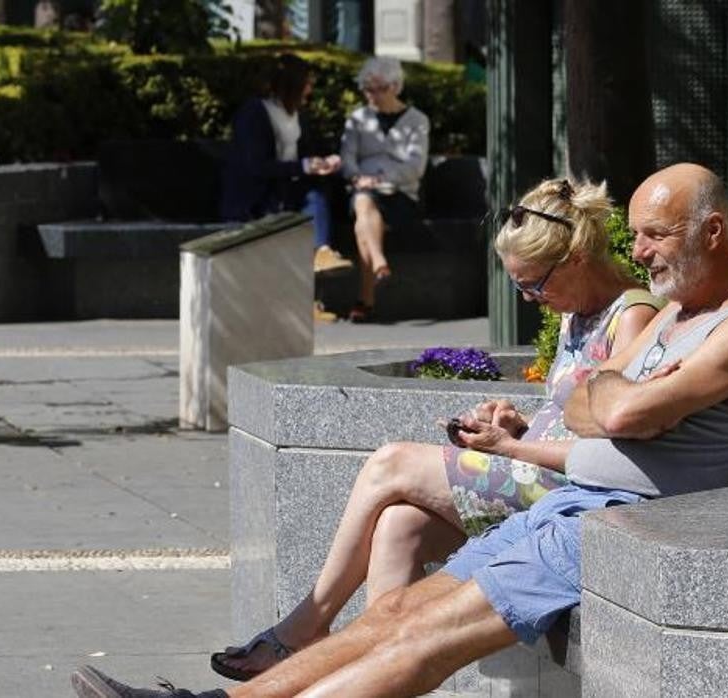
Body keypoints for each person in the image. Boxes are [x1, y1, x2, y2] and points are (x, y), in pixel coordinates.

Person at [69, 163, 728, 698]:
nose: (638, 253)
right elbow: (594, 402)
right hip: (573, 505)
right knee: (396, 611)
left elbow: (614, 411)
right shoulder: (677, 317)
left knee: (425, 637)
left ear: (713, 230)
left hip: (626, 528)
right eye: (636, 235)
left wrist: (614, 395)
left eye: (655, 236)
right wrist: (611, 396)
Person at [206, 177, 663, 681]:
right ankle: (368, 676)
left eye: (534, 283)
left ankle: (303, 630)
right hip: (537, 471)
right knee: (399, 523)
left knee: (391, 462)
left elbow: (613, 441)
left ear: (577, 258)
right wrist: (519, 424)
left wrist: (513, 447)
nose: (530, 298)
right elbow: (573, 411)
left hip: (577, 496)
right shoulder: (578, 311)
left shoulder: (634, 316)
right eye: (519, 287)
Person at [219, 54, 354, 282]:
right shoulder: (255, 112)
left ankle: (322, 252)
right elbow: (256, 166)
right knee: (308, 198)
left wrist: (326, 162)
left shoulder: (298, 116)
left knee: (316, 191)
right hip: (258, 197)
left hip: (288, 190)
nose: (310, 89)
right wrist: (303, 166)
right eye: (307, 83)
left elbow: (308, 154)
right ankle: (318, 260)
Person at [338, 56, 431, 323]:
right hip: (362, 191)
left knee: (361, 221)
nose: (373, 95)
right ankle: (379, 263)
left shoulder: (417, 120)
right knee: (363, 201)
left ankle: (366, 298)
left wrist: (377, 178)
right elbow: (347, 159)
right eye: (368, 89)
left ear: (396, 86)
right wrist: (357, 177)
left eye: (380, 88)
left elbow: (416, 166)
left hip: (401, 195)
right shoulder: (357, 119)